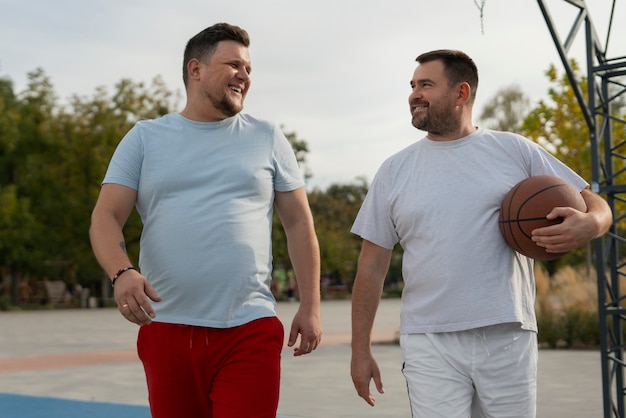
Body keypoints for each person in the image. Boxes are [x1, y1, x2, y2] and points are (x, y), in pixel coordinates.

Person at [350, 49, 612, 417]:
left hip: (507, 331)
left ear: (461, 93)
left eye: (426, 84)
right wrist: (359, 350)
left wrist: (592, 224)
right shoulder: (394, 171)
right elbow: (372, 265)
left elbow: (596, 205)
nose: (414, 94)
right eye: (412, 86)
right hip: (428, 339)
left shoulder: (514, 150)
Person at [89, 23, 322, 418]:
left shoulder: (268, 137)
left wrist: (311, 306)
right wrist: (121, 271)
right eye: (233, 64)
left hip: (249, 327)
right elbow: (105, 217)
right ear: (195, 69)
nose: (245, 76)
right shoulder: (145, 138)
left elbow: (300, 224)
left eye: (248, 68)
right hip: (166, 328)